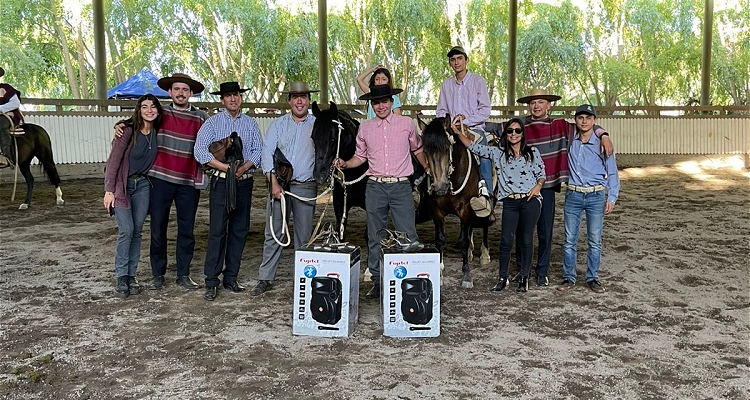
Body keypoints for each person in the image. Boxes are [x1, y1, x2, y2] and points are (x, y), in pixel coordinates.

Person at [508, 89, 613, 287]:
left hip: (547, 185)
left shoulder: (560, 125)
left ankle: (542, 271)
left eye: (541, 102)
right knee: (523, 230)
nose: (536, 106)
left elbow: (587, 126)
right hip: (523, 185)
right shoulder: (520, 125)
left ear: (549, 105)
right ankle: (522, 269)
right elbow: (497, 128)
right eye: (532, 103)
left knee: (545, 230)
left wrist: (604, 134)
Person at [117, 73, 209, 291]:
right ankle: (158, 274)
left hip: (188, 181)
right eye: (176, 89)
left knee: (186, 230)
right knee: (158, 229)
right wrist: (122, 124)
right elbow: (141, 121)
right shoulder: (161, 114)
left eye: (185, 90)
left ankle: (183, 274)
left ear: (191, 93)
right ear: (169, 92)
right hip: (160, 180)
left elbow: (215, 138)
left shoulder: (201, 118)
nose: (180, 93)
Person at [335, 84, 429, 299]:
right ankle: (377, 280)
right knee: (375, 234)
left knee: (407, 233)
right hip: (375, 186)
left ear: (391, 102)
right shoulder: (365, 128)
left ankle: (410, 278)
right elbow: (361, 156)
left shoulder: (406, 124)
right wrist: (345, 164)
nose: (380, 106)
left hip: (401, 186)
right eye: (376, 102)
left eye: (384, 101)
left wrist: (426, 166)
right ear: (371, 105)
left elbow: (417, 147)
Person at [456, 118, 545, 292]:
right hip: (510, 201)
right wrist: (459, 133)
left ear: (522, 133)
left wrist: (537, 187)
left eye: (517, 131)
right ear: (506, 134)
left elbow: (541, 174)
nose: (513, 134)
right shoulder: (498, 153)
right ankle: (503, 277)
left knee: (526, 239)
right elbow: (474, 147)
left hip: (530, 201)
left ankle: (524, 277)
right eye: (510, 131)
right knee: (505, 240)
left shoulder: (532, 152)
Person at [194, 81, 262, 301]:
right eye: (229, 96)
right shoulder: (212, 123)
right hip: (222, 181)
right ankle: (211, 280)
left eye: (236, 95)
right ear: (222, 100)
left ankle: (231, 277)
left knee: (240, 229)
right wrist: (226, 168)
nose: (233, 99)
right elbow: (200, 151)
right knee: (217, 230)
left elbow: (258, 150)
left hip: (243, 181)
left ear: (240, 98)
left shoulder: (251, 124)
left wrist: (243, 168)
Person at [251, 81, 319, 297]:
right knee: (274, 232)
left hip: (306, 186)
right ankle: (265, 278)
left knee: (304, 235)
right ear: (289, 101)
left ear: (309, 100)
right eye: (295, 97)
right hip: (280, 185)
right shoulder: (278, 125)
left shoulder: (317, 125)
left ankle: (303, 279)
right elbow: (267, 152)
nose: (300, 101)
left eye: (304, 97)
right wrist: (273, 183)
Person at [104, 94, 163, 298]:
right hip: (122, 185)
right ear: (139, 110)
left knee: (137, 231)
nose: (149, 110)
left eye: (153, 106)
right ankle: (121, 276)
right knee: (126, 230)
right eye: (144, 106)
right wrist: (109, 190)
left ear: (158, 110)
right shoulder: (128, 131)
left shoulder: (157, 132)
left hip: (143, 185)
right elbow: (113, 162)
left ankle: (131, 275)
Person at [557, 105, 620, 294]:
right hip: (573, 194)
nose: (584, 121)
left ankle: (592, 277)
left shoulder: (602, 143)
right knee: (569, 239)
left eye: (588, 118)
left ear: (594, 120)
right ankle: (569, 277)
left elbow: (612, 171)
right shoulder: (569, 140)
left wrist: (612, 197)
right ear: (575, 120)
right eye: (580, 117)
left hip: (595, 195)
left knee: (594, 239)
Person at [436, 46, 494, 219]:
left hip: (474, 128)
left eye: (459, 58)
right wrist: (446, 124)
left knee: (483, 153)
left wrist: (465, 122)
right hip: (451, 130)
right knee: (435, 150)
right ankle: (428, 189)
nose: (456, 62)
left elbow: (485, 109)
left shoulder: (478, 81)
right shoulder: (446, 84)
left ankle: (486, 194)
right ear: (450, 63)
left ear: (466, 60)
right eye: (453, 60)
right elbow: (441, 110)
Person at [0, 67, 23, 168]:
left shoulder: (5, 88)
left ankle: (6, 157)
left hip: (6, 115)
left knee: (1, 125)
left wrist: (0, 108)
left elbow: (15, 103)